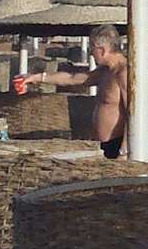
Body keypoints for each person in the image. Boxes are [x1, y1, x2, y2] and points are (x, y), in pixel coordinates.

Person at [24, 24, 128, 157]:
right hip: (102, 145)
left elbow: (133, 114)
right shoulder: (105, 71)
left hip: (117, 145)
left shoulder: (124, 73)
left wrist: (124, 151)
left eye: (92, 49)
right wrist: (37, 77)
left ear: (102, 50)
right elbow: (72, 78)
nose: (91, 53)